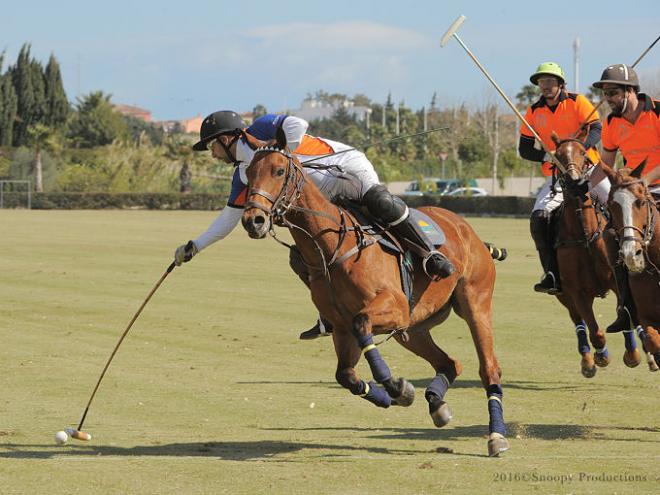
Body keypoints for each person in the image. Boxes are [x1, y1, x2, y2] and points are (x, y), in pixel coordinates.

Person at [174, 110, 455, 339]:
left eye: (212, 146)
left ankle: (430, 253)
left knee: (382, 202)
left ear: (225, 139)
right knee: (299, 254)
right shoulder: (247, 174)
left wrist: (285, 153)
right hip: (322, 197)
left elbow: (297, 123)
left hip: (345, 169)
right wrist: (195, 246)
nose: (212, 154)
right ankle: (329, 313)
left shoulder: (259, 129)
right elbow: (228, 218)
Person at [518, 62, 608, 295]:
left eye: (550, 81)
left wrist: (579, 148)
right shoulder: (534, 111)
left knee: (619, 204)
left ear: (560, 83)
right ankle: (552, 273)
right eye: (541, 82)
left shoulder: (578, 101)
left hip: (590, 170)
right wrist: (546, 156)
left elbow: (596, 129)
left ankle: (631, 264)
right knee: (539, 218)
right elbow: (524, 149)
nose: (545, 86)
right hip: (556, 178)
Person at [591, 64, 660, 332]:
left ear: (630, 91)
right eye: (606, 93)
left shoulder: (657, 111)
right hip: (636, 191)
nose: (607, 98)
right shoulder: (611, 122)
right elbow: (605, 163)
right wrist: (585, 188)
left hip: (650, 184)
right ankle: (627, 308)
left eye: (612, 92)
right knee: (611, 235)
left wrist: (646, 179)